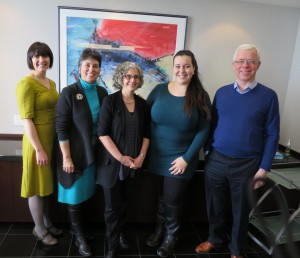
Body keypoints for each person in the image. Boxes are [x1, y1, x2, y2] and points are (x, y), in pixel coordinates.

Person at [194, 44, 280, 258]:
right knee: (215, 205)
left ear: (258, 65)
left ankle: (237, 249)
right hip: (216, 160)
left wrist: (264, 168)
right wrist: (208, 151)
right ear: (233, 65)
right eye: (240, 61)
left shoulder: (269, 96)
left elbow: (272, 134)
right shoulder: (221, 93)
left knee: (241, 211)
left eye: (250, 61)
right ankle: (215, 239)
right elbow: (211, 125)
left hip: (248, 164)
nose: (245, 65)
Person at [146, 50, 212, 257]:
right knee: (160, 196)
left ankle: (170, 236)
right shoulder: (158, 90)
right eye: (178, 66)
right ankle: (159, 228)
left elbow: (204, 130)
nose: (181, 70)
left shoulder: (200, 96)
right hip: (155, 156)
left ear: (193, 69)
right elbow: (144, 119)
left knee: (172, 199)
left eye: (186, 66)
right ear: (172, 68)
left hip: (182, 158)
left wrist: (186, 158)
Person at [55, 48, 108, 256]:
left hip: (93, 153)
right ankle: (78, 237)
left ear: (99, 70)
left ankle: (80, 229)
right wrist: (66, 157)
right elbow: (61, 127)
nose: (91, 69)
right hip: (74, 153)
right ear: (79, 68)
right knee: (75, 195)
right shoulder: (69, 92)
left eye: (95, 66)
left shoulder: (103, 93)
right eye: (87, 65)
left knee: (86, 194)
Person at [97, 62, 150, 258]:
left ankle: (119, 235)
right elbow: (102, 134)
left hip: (134, 166)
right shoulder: (110, 102)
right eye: (128, 76)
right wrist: (121, 158)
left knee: (125, 204)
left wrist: (141, 157)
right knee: (111, 208)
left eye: (136, 77)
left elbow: (147, 134)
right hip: (112, 166)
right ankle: (112, 245)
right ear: (121, 78)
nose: (132, 80)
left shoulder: (143, 104)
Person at [16, 42, 62, 246]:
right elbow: (27, 119)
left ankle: (46, 221)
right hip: (37, 143)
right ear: (31, 60)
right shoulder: (26, 83)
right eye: (37, 56)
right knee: (36, 185)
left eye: (45, 56)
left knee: (45, 183)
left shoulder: (51, 83)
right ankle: (39, 229)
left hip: (51, 139)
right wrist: (39, 149)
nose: (41, 60)